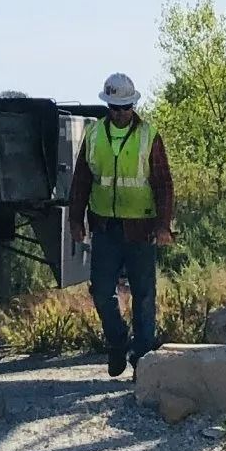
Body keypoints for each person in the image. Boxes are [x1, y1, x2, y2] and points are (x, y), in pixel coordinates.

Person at [67, 70, 173, 377]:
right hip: (105, 227)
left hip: (141, 227)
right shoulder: (95, 135)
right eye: (116, 107)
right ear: (107, 106)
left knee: (144, 295)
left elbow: (164, 183)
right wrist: (76, 219)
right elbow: (81, 181)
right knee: (101, 291)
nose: (121, 113)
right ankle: (117, 342)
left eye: (126, 107)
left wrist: (163, 225)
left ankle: (143, 360)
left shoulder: (148, 135)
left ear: (133, 105)